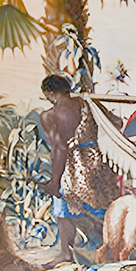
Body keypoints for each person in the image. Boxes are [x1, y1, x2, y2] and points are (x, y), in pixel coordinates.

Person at [38, 74, 121, 260]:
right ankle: (106, 251)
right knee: (102, 207)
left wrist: (54, 182)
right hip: (97, 162)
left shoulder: (50, 116)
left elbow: (59, 149)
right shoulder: (88, 104)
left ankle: (66, 253)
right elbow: (117, 122)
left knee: (63, 211)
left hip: (73, 166)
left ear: (49, 93)